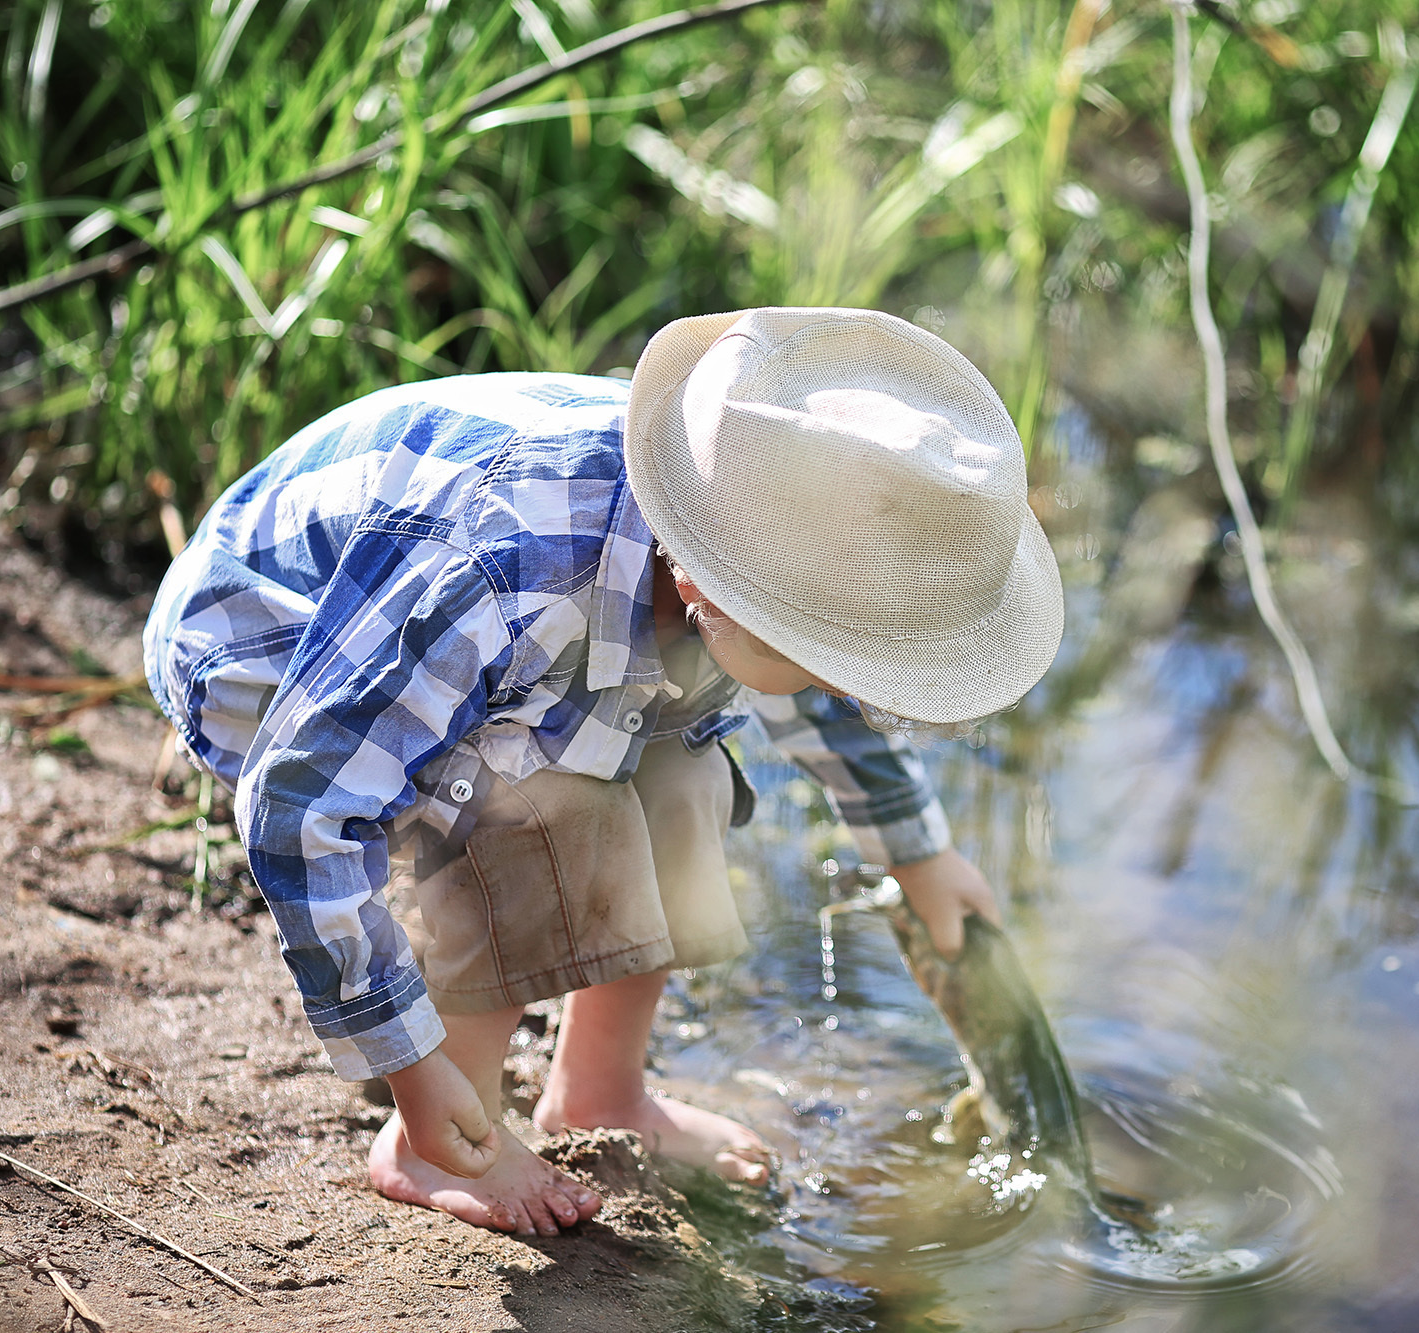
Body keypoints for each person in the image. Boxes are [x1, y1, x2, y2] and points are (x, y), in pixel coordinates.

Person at [142, 307, 1065, 1236]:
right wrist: (408, 1058)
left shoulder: (745, 527)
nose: (840, 688)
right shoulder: (501, 571)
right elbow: (301, 798)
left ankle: (598, 1091)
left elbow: (811, 685)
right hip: (279, 664)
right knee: (545, 807)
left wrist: (916, 850)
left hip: (470, 651)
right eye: (833, 662)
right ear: (713, 596)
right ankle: (437, 1135)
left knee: (680, 772)